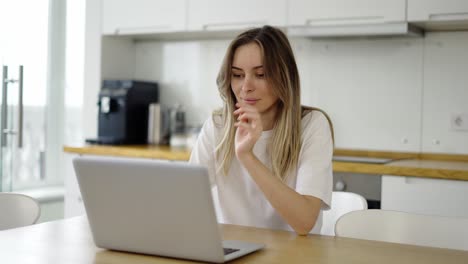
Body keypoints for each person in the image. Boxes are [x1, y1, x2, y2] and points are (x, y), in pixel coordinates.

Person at [189, 25, 334, 235]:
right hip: (234, 250)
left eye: (261, 74)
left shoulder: (312, 124)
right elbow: (187, 199)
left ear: (284, 77)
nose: (246, 87)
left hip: (294, 254)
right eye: (237, 75)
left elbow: (304, 222)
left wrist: (247, 156)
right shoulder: (218, 125)